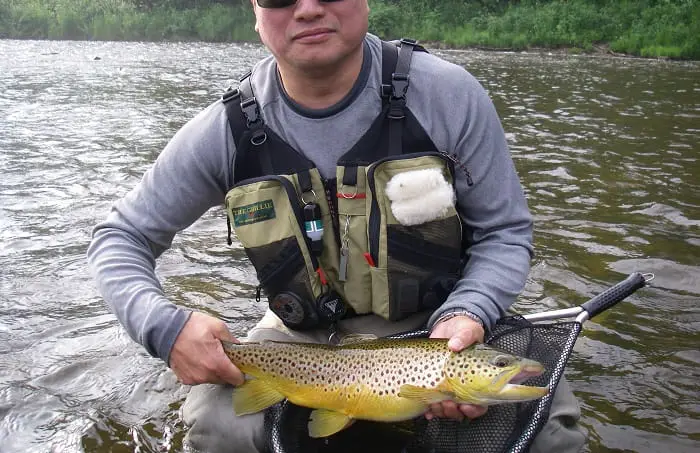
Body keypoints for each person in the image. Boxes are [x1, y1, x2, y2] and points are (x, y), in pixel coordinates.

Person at [87, 0, 587, 452]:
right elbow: (118, 238)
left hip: (441, 328)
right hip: (305, 338)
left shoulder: (449, 96)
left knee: (546, 430)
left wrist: (470, 311)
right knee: (218, 424)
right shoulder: (223, 132)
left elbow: (505, 232)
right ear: (255, 12)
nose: (307, 9)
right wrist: (166, 328)